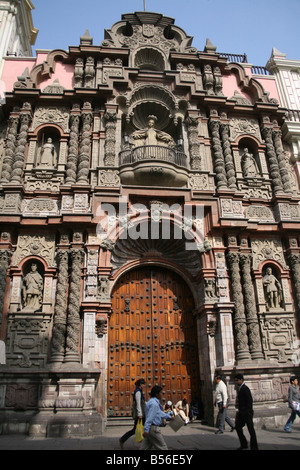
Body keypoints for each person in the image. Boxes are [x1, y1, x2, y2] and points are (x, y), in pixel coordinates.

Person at [141, 385, 174, 450]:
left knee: (145, 448)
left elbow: (159, 413)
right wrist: (146, 429)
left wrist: (169, 416)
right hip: (153, 429)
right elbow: (150, 417)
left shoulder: (152, 402)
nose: (162, 394)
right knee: (163, 448)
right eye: (161, 393)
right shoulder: (154, 404)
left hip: (150, 429)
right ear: (157, 394)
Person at [119, 378, 146, 449]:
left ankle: (149, 444)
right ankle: (122, 439)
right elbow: (138, 404)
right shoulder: (138, 392)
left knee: (144, 428)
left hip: (141, 413)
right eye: (143, 384)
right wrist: (140, 414)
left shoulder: (139, 391)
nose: (144, 386)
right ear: (140, 384)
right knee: (138, 429)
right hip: (140, 414)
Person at [234, 374, 258, 450]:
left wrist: (249, 411)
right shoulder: (240, 388)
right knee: (238, 427)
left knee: (251, 430)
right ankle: (244, 443)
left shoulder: (245, 388)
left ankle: (254, 447)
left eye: (237, 380)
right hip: (241, 413)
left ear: (241, 380)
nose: (236, 382)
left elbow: (249, 400)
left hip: (246, 413)